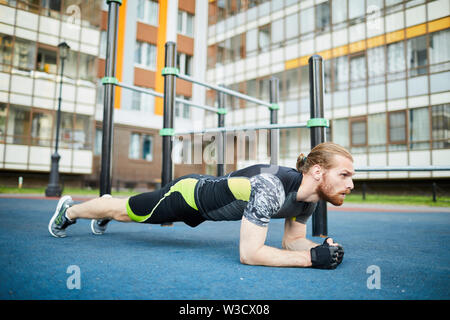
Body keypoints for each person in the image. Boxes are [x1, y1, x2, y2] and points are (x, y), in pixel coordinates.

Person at [48, 142, 354, 269]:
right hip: (187, 197)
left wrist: (317, 247)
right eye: (344, 175)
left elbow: (292, 241)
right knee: (124, 211)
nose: (351, 184)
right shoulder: (270, 188)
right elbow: (249, 255)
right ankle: (71, 210)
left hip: (205, 208)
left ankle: (106, 208)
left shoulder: (308, 199)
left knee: (123, 211)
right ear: (317, 172)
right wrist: (311, 260)